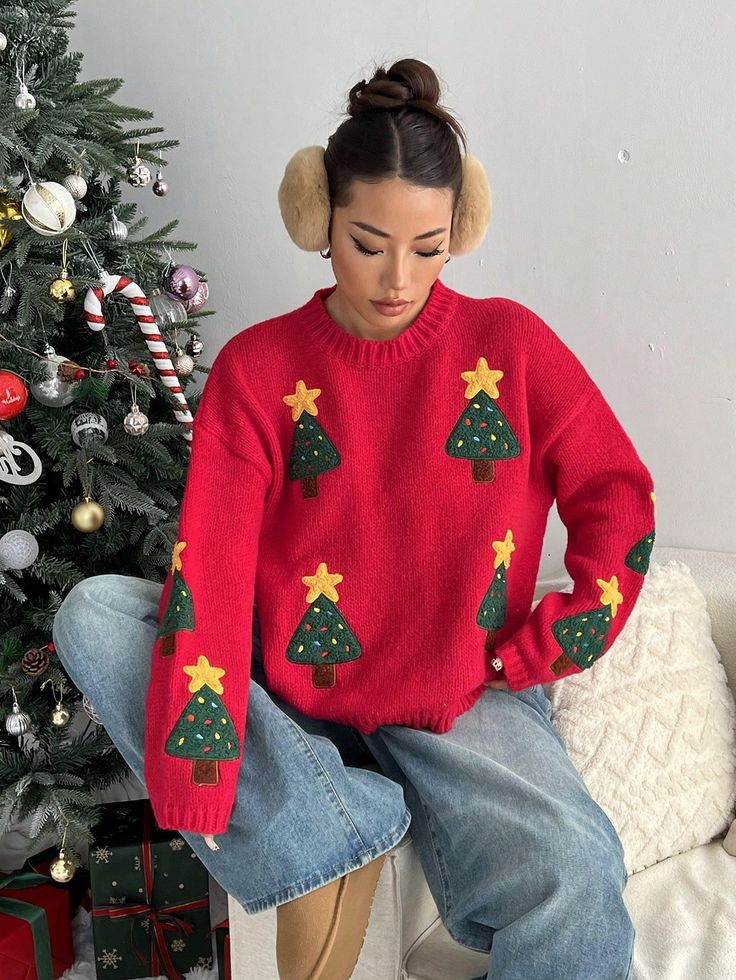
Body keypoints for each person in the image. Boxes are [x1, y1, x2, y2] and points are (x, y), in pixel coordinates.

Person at [52, 58, 654, 980]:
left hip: (459, 688)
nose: (397, 278)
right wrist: (206, 767)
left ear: (464, 227)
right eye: (368, 242)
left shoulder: (513, 345)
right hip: (291, 681)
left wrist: (546, 646)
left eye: (429, 246)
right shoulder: (259, 370)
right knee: (92, 611)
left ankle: (323, 818)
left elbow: (619, 495)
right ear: (316, 218)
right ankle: (334, 830)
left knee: (577, 876)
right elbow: (209, 562)